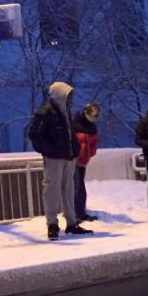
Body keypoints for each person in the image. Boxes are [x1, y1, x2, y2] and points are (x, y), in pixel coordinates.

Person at [28, 82, 94, 240]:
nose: (71, 98)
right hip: (54, 159)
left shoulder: (66, 112)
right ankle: (52, 224)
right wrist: (50, 151)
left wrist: (75, 149)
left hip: (68, 157)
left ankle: (71, 223)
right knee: (51, 190)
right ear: (59, 94)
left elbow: (70, 133)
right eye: (68, 95)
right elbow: (35, 135)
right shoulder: (45, 112)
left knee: (68, 190)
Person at [72, 103, 101, 223]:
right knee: (77, 186)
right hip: (74, 159)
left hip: (83, 160)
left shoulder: (92, 127)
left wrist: (89, 154)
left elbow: (93, 143)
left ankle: (80, 212)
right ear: (86, 113)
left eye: (95, 117)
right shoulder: (75, 123)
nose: (93, 119)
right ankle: (76, 213)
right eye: (92, 116)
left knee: (80, 186)